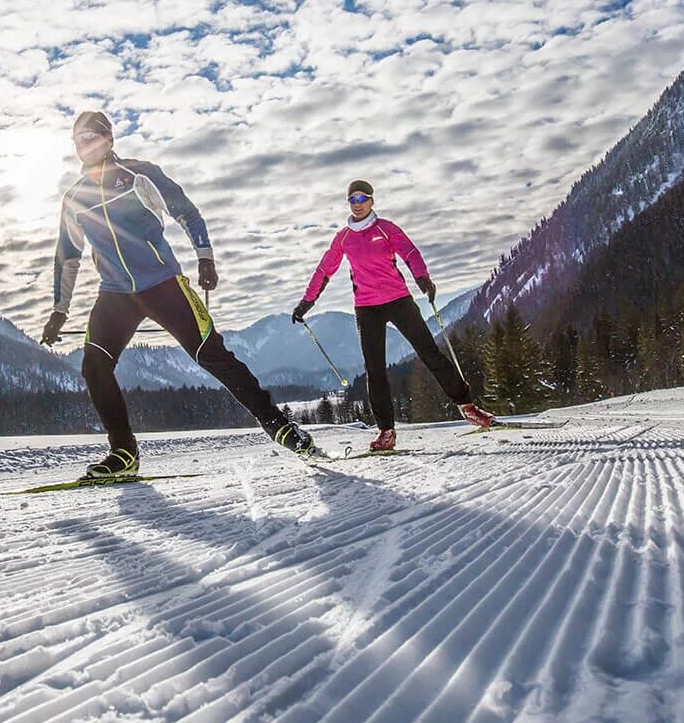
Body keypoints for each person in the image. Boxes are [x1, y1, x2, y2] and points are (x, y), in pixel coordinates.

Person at [41, 111, 317, 478]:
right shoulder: (75, 198)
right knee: (94, 366)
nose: (84, 144)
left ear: (108, 138)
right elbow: (68, 256)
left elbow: (186, 212)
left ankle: (279, 424)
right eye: (77, 139)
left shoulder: (140, 174)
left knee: (211, 355)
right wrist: (59, 311)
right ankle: (124, 453)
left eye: (91, 136)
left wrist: (205, 258)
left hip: (162, 283)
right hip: (115, 293)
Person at [292, 179, 495, 450]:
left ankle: (467, 405)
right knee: (374, 370)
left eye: (363, 198)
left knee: (430, 353)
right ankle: (386, 431)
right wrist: (306, 302)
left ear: (372, 201)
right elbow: (324, 270)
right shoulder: (343, 238)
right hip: (366, 308)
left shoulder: (385, 229)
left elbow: (410, 252)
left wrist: (423, 279)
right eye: (353, 199)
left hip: (399, 300)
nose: (358, 204)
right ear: (348, 203)